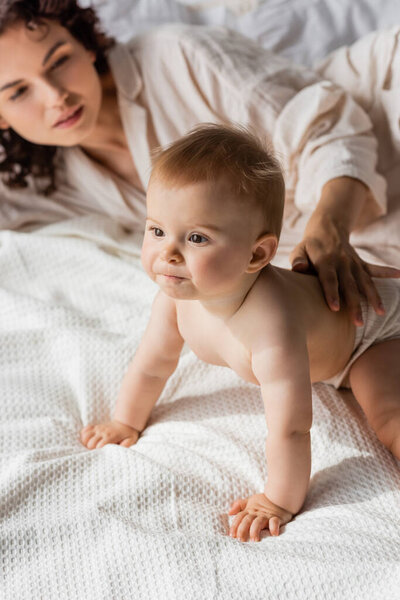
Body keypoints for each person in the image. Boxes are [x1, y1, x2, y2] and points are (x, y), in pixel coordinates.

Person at [80, 124, 400, 542]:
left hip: (375, 333)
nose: (168, 252)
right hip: (340, 344)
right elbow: (151, 366)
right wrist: (125, 421)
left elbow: (291, 425)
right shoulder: (176, 301)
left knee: (387, 414)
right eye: (156, 230)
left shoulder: (271, 322)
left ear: (257, 254)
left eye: (196, 238)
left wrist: (279, 500)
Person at [0, 1, 398, 325]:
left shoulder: (175, 55)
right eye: (18, 92)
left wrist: (329, 225)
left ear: (84, 45)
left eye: (59, 61)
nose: (56, 96)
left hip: (383, 118)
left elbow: (328, 129)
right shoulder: (49, 179)